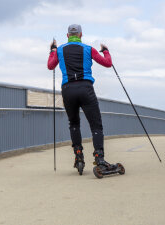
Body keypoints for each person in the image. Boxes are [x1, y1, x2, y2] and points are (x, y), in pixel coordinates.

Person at [47, 24, 113, 174]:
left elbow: (50, 66)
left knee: (74, 123)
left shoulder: (60, 50)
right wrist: (106, 51)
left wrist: (52, 50)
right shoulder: (89, 49)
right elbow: (107, 63)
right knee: (96, 125)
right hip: (85, 88)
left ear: (67, 35)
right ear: (81, 35)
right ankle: (99, 157)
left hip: (68, 90)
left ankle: (78, 156)